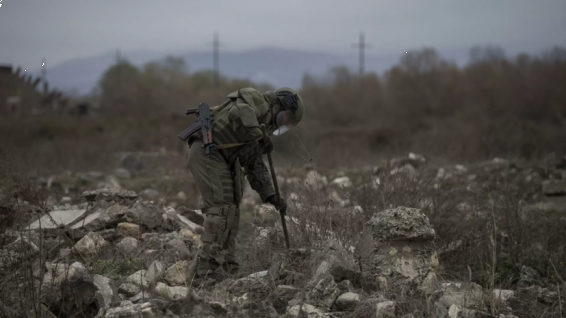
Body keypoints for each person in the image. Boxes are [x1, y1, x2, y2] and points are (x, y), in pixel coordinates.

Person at [186, 87, 305, 281]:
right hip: (208, 152)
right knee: (221, 209)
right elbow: (240, 111)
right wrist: (260, 136)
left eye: (288, 123)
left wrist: (272, 195)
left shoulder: (263, 128)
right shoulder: (256, 100)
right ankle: (205, 271)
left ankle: (226, 265)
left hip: (226, 160)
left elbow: (255, 164)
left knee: (232, 212)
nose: (283, 124)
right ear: (280, 106)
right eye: (286, 119)